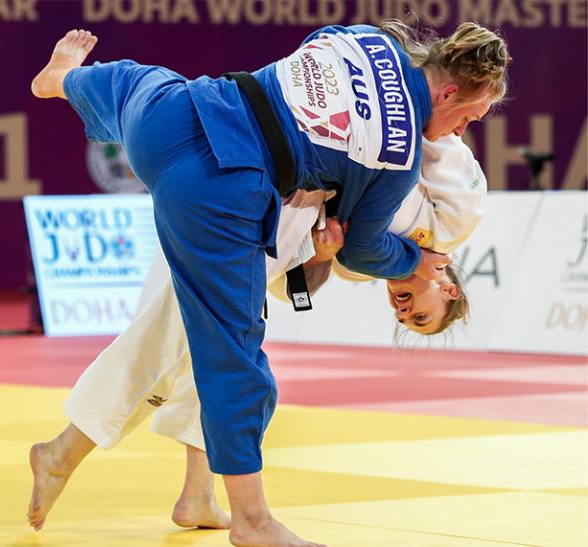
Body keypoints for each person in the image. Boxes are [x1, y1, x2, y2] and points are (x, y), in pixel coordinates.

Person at [29, 21, 510, 546]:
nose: (462, 130)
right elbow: (364, 247)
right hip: (224, 189)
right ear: (449, 285)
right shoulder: (416, 174)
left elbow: (314, 51)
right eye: (470, 115)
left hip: (189, 111)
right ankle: (247, 520)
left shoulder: (367, 38)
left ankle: (65, 80)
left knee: (130, 84)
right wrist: (413, 258)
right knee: (220, 357)